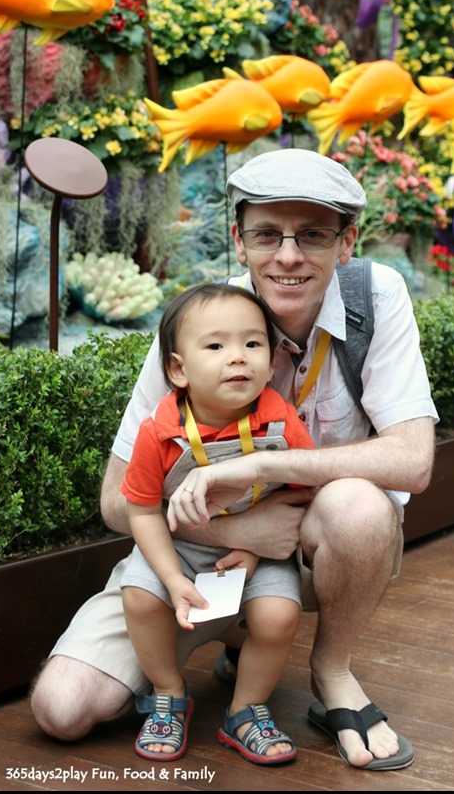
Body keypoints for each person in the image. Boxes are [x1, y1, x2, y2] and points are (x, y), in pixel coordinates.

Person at [31, 147, 439, 772]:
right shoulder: (196, 326)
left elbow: (412, 462)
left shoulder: (376, 300)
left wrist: (262, 469)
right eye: (267, 234)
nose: (289, 255)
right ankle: (217, 649)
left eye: (313, 235)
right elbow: (119, 501)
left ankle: (331, 673)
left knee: (359, 505)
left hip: (301, 556)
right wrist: (232, 530)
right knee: (63, 709)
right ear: (238, 240)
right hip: (185, 557)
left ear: (347, 241)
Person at [121, 282, 315, 764]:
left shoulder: (280, 421)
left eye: (252, 344)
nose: (238, 358)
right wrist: (169, 577)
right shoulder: (158, 432)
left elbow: (307, 485)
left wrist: (254, 548)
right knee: (140, 597)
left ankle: (245, 709)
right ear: (177, 369)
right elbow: (142, 510)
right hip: (179, 547)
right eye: (215, 345)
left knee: (278, 616)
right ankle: (168, 692)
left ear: (272, 362)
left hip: (259, 549)